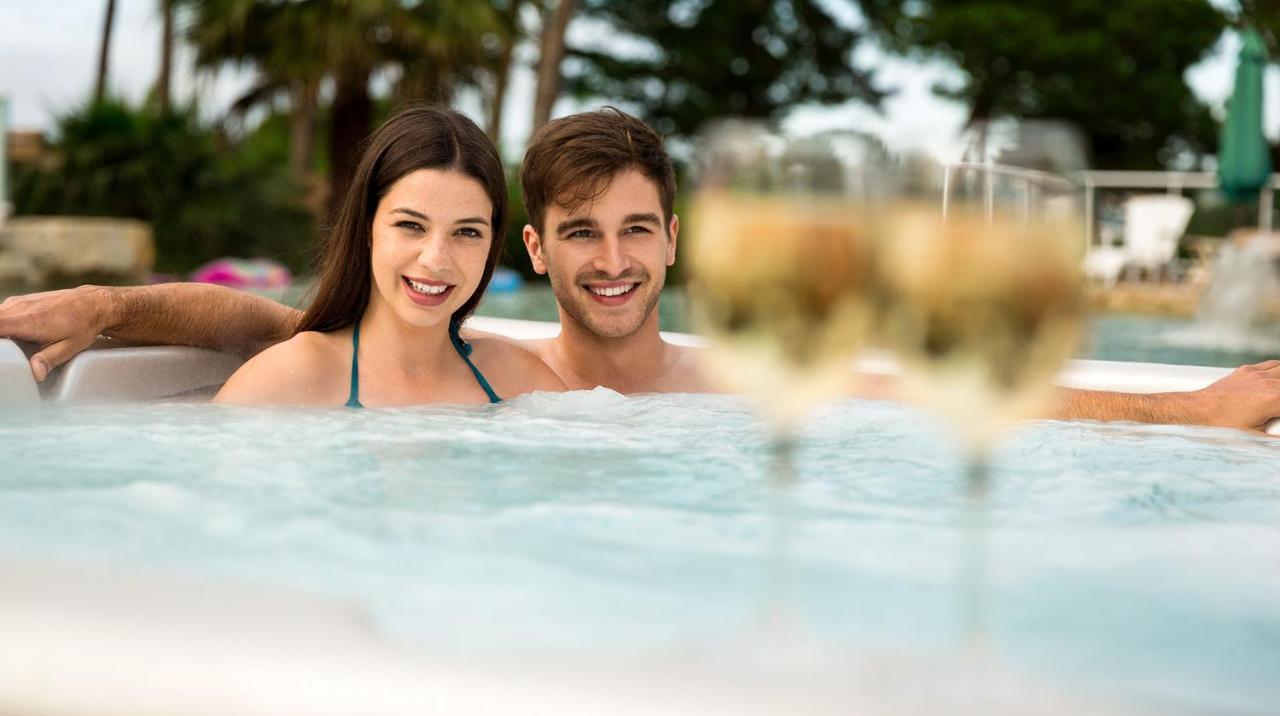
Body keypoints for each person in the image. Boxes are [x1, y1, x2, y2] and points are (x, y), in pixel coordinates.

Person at [2, 108, 1279, 430]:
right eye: (580, 235)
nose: (611, 263)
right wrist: (118, 305)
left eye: (636, 230)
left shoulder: (574, 384)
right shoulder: (484, 371)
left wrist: (1186, 410)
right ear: (538, 252)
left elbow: (923, 400)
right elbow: (298, 334)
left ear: (675, 240)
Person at [191, 105, 560, 406]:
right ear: (367, 227)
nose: (436, 259)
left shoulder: (522, 385)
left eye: (467, 232)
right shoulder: (286, 381)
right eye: (411, 225)